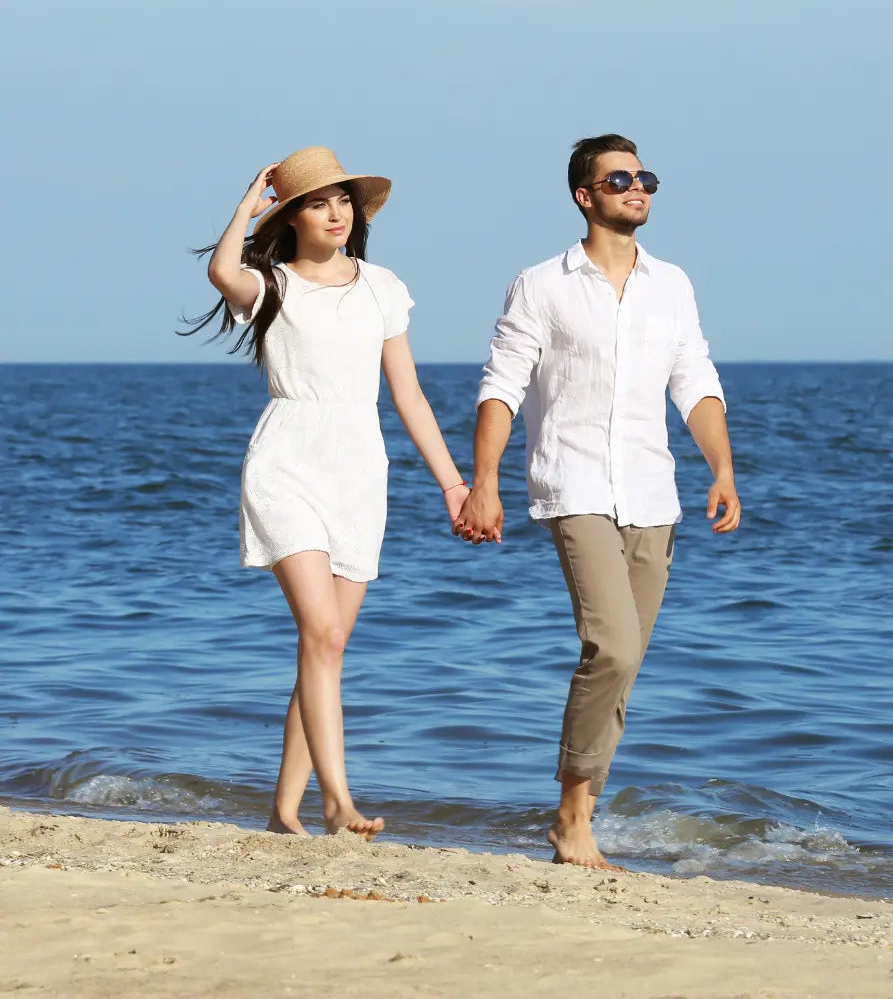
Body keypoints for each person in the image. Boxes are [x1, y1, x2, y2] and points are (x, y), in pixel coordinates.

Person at [454, 133, 740, 869]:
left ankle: (579, 811)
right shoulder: (541, 285)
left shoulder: (672, 285)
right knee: (610, 646)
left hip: (652, 490)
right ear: (586, 196)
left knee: (628, 659)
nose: (637, 188)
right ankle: (573, 819)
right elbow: (502, 384)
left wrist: (722, 469)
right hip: (572, 483)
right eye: (619, 179)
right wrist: (483, 482)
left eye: (644, 176)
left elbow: (695, 381)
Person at [184, 146, 471, 839]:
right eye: (318, 201)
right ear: (292, 215)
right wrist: (243, 207)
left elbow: (407, 394)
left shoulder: (382, 287)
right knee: (321, 632)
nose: (336, 211)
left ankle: (284, 813)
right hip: (287, 462)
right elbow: (223, 270)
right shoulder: (273, 284)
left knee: (328, 647)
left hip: (360, 471)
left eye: (342, 199)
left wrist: (454, 485)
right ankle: (337, 804)